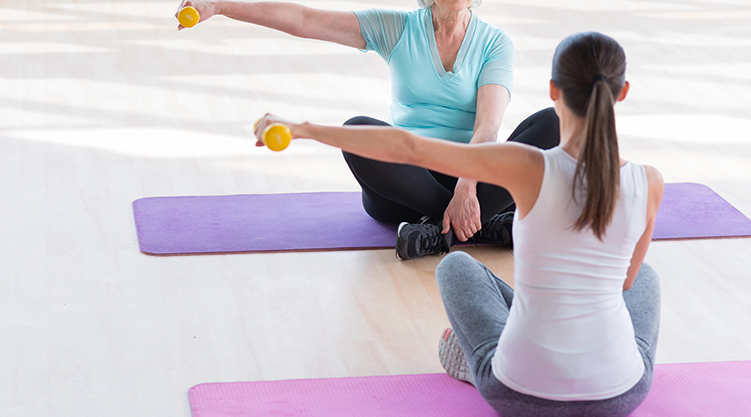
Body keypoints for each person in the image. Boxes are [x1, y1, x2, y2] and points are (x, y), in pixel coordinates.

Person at [254, 32, 663, 417]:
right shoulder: (649, 182)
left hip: (514, 392)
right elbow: (624, 283)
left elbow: (406, 147)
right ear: (622, 92)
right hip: (619, 395)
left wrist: (300, 128)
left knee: (456, 266)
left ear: (553, 90)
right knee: (644, 276)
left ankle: (477, 358)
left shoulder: (528, 168)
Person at [178, 0, 559, 259]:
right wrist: (219, 6)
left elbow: (487, 131)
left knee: (555, 121)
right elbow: (307, 20)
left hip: (473, 175)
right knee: (357, 129)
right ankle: (483, 223)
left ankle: (437, 234)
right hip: (404, 184)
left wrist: (466, 188)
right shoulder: (397, 29)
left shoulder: (494, 43)